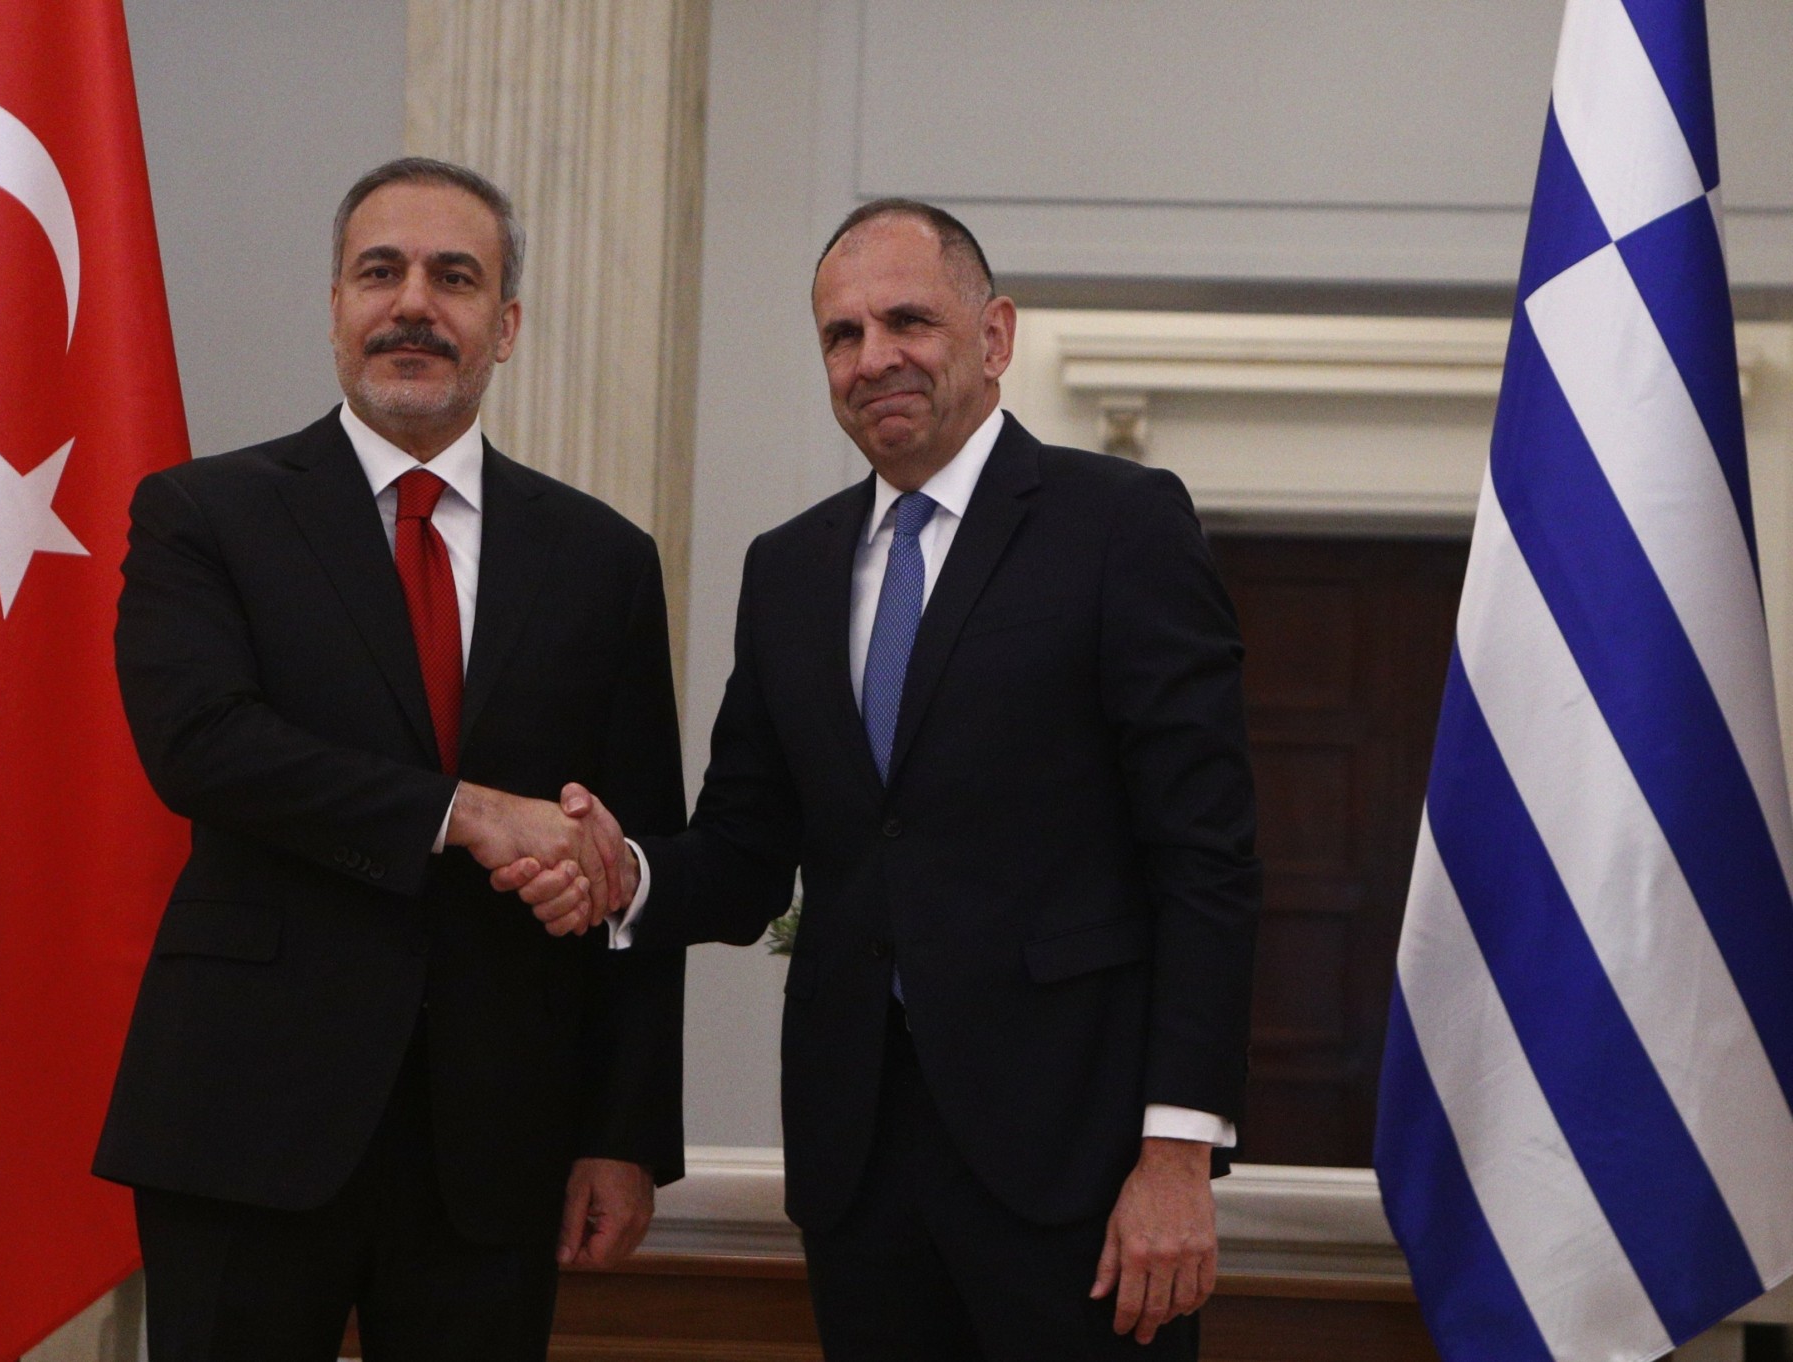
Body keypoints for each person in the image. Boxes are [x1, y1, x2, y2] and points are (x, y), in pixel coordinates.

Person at [504, 200, 1259, 1360]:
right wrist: (624, 873)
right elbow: (744, 854)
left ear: (993, 336)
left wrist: (1176, 1155)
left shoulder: (1118, 524)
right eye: (840, 335)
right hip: (857, 1165)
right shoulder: (788, 568)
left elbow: (1204, 858)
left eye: (907, 321)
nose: (872, 358)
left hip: (1080, 1164)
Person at [92, 157, 681, 1362]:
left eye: (453, 277)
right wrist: (471, 813)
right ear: (336, 308)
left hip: (497, 1139)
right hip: (246, 1118)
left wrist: (623, 1132)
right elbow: (203, 747)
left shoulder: (602, 560)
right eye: (380, 272)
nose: (413, 303)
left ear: (503, 325)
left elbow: (634, 861)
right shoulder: (203, 515)